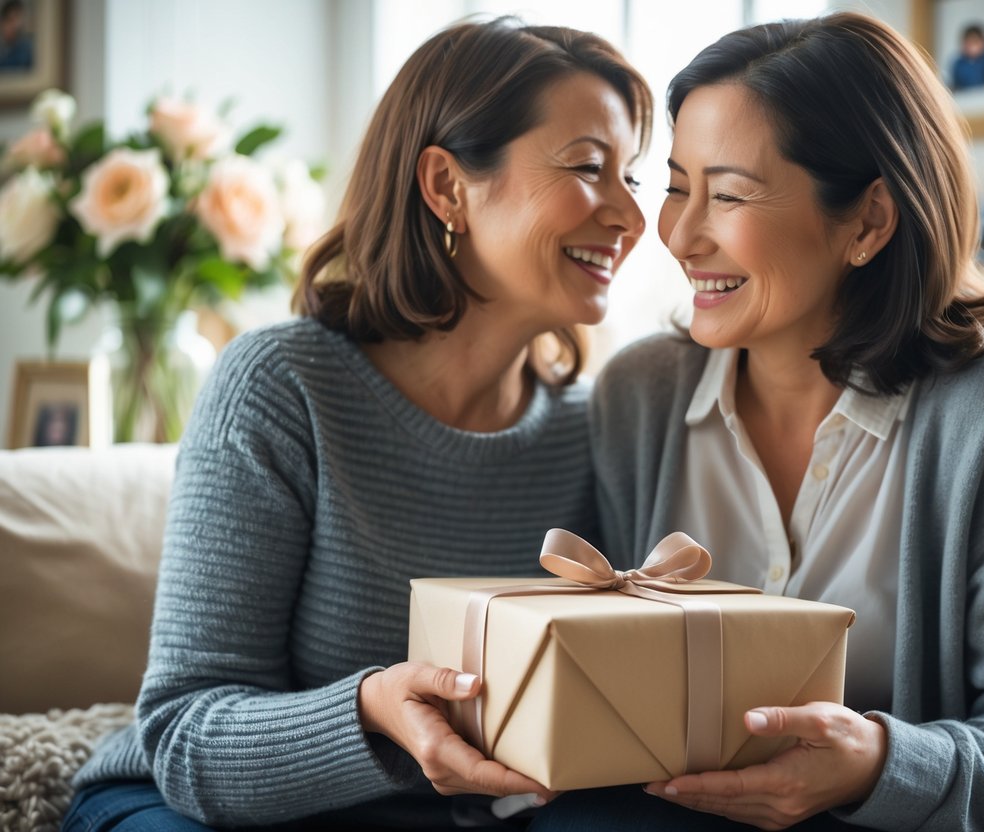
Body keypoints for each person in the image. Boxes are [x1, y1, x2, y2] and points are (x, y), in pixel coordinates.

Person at [63, 18, 649, 831]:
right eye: (589, 168)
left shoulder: (596, 425)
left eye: (634, 178)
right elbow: (183, 733)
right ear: (446, 186)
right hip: (198, 805)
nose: (629, 215)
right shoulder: (280, 386)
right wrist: (372, 709)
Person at [533, 13, 984, 831]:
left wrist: (876, 766)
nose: (680, 234)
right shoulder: (639, 396)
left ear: (869, 222)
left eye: (727, 195)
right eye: (673, 186)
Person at [949, 23, 984, 92]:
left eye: (975, 42)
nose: (972, 47)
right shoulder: (959, 64)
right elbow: (955, 85)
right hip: (965, 99)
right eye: (969, 43)